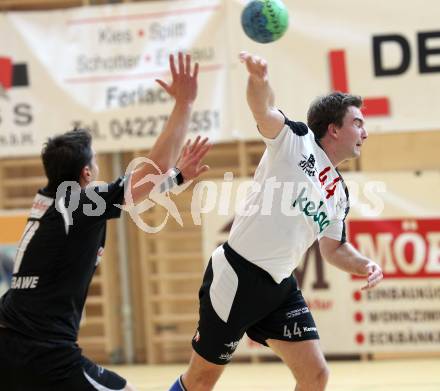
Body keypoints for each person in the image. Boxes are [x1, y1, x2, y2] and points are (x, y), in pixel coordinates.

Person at [168, 52, 384, 391]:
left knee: (315, 375)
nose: (364, 132)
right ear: (334, 128)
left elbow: (334, 248)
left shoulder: (339, 192)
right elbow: (262, 110)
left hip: (280, 287)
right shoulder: (296, 141)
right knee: (200, 381)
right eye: (358, 123)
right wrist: (259, 81)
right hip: (237, 276)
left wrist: (365, 265)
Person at [0, 53, 210, 391]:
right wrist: (185, 104)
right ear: (86, 173)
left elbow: (135, 191)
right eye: (95, 162)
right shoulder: (81, 204)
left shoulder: (53, 200)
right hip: (43, 352)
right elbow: (151, 169)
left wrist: (176, 177)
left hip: (10, 344)